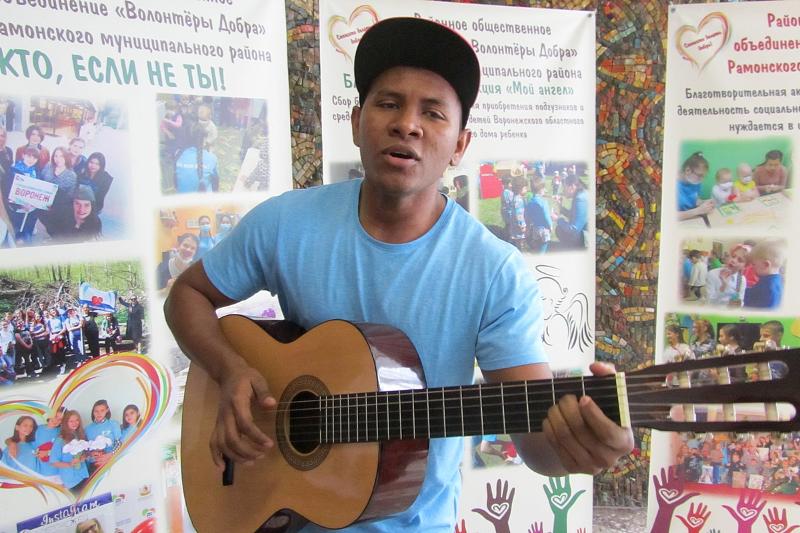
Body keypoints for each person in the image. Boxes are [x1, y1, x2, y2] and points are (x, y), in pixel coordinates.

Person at [164, 18, 632, 533]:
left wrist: (578, 448)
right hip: (279, 511)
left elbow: (536, 444)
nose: (407, 124)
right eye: (388, 104)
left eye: (433, 112)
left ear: (459, 145)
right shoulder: (286, 223)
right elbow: (187, 294)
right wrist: (230, 370)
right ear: (356, 122)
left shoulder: (493, 271)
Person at [50, 409, 89, 494]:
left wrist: (83, 457)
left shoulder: (80, 435)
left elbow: (85, 453)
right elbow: (53, 462)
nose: (75, 423)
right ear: (66, 423)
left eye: (77, 420)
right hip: (72, 480)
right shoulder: (60, 440)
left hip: (83, 475)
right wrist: (69, 464)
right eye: (71, 421)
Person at [174, 123, 219, 193]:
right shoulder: (211, 158)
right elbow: (215, 183)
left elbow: (176, 182)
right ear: (202, 139)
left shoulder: (178, 154)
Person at [744, 239, 786, 309]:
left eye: (754, 264)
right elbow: (754, 291)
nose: (752, 267)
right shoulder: (773, 280)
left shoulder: (769, 289)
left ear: (766, 264)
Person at [677, 152, 714, 221]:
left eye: (703, 176)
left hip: (693, 219)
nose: (702, 180)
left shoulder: (695, 182)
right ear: (688, 170)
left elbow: (695, 199)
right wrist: (698, 211)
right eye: (700, 175)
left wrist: (703, 203)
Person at [555, 174, 589, 249]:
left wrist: (558, 219)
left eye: (564, 187)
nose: (563, 191)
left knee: (559, 229)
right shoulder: (581, 194)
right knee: (559, 229)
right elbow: (575, 215)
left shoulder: (580, 199)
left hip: (586, 238)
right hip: (584, 233)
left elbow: (574, 229)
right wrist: (561, 208)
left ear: (572, 186)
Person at [85, 399, 121, 469]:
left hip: (111, 462)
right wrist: (91, 454)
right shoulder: (87, 428)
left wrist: (110, 455)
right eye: (96, 411)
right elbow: (85, 449)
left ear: (107, 410)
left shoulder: (114, 424)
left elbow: (119, 443)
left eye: (102, 410)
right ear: (93, 412)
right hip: (94, 465)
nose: (99, 413)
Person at [524, 175, 553, 253]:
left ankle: (535, 252)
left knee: (537, 243)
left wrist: (528, 226)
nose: (544, 190)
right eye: (544, 188)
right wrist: (550, 225)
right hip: (544, 228)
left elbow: (527, 216)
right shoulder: (543, 202)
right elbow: (546, 216)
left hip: (535, 228)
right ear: (541, 190)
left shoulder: (529, 202)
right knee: (544, 243)